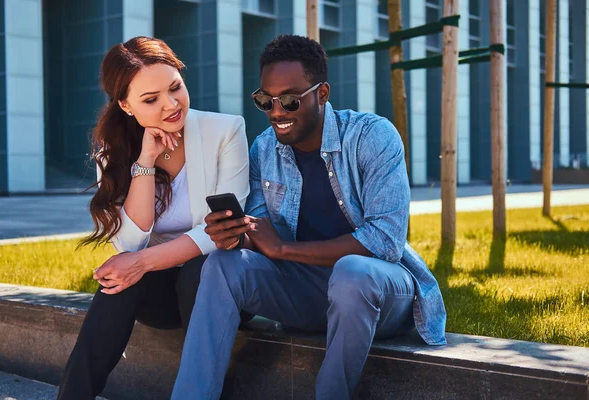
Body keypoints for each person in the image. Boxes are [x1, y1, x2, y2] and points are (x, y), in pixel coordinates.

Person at [171, 34, 447, 400]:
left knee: (352, 273)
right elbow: (260, 232)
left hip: (379, 294)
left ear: (322, 93)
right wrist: (236, 234)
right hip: (307, 290)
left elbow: (385, 241)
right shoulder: (264, 149)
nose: (276, 113)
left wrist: (283, 249)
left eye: (289, 100)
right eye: (265, 101)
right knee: (223, 263)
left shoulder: (371, 136)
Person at [57, 36, 250, 400]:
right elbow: (130, 242)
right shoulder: (112, 152)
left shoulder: (225, 131)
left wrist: (140, 264)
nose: (171, 104)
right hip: (162, 295)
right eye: (151, 100)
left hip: (222, 289)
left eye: (175, 87)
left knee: (198, 268)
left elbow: (219, 232)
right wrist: (144, 163)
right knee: (118, 284)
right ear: (126, 106)